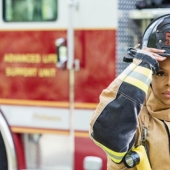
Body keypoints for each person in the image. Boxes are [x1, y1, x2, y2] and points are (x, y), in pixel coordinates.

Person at [89, 14, 170, 170]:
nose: (169, 83)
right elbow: (106, 134)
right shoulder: (133, 118)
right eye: (160, 73)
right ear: (149, 74)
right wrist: (139, 67)